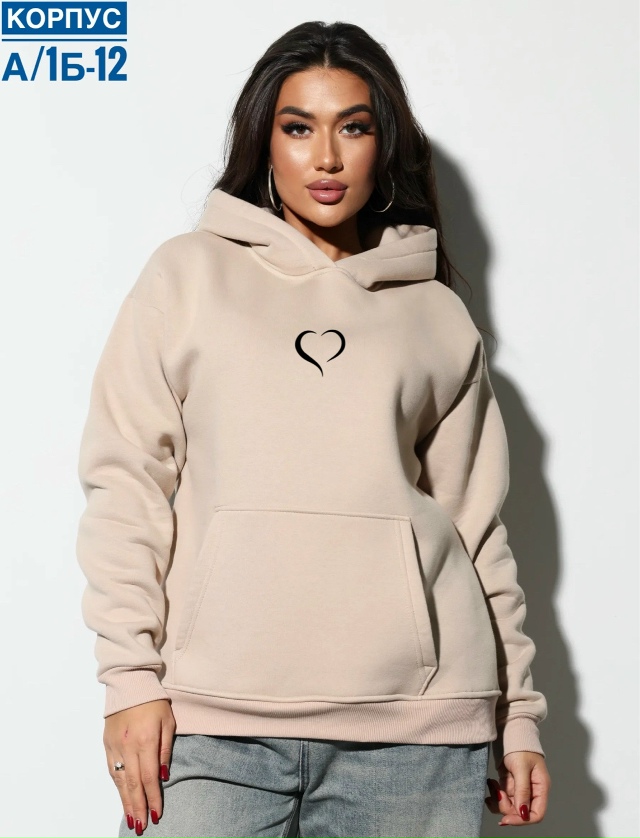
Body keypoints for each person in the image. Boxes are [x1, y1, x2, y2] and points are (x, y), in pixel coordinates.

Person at [75, 20, 551, 838]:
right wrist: (130, 679)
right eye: (299, 128)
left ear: (383, 143)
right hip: (213, 722)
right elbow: (125, 483)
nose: (326, 157)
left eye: (352, 128)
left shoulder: (435, 314)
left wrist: (520, 717)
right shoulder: (188, 277)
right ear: (265, 142)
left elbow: (477, 528)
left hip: (416, 734)